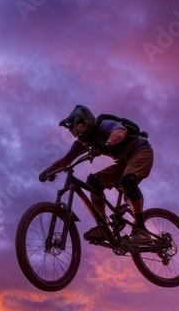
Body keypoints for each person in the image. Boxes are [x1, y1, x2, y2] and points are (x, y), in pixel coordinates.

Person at [39, 105, 153, 246]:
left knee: (127, 182)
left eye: (80, 125)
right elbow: (65, 161)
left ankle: (141, 230)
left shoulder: (103, 125)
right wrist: (49, 170)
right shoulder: (83, 143)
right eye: (75, 129)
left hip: (140, 151)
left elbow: (119, 132)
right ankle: (102, 227)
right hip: (123, 162)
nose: (78, 130)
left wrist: (106, 143)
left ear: (88, 121)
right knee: (93, 181)